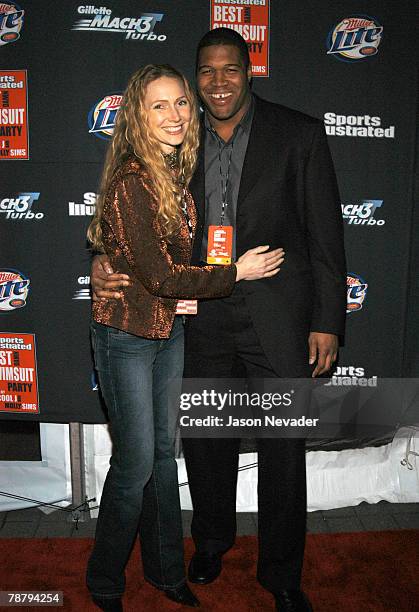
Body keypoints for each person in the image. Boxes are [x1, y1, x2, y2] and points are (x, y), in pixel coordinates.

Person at [91, 29, 346, 612]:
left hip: (279, 319)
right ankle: (210, 544)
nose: (218, 82)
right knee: (206, 444)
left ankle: (282, 573)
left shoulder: (298, 133)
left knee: (284, 450)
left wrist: (327, 319)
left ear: (249, 71)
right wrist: (106, 258)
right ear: (195, 77)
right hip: (199, 316)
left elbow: (326, 236)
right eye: (206, 71)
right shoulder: (176, 140)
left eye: (230, 69)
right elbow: (138, 218)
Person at [86, 63, 284, 612]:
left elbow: (165, 269)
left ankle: (167, 572)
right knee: (134, 466)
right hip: (127, 335)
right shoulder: (132, 179)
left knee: (163, 460)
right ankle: (104, 581)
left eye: (179, 104)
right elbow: (164, 276)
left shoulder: (175, 169)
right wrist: (236, 272)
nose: (174, 115)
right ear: (137, 116)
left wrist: (108, 257)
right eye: (159, 106)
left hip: (168, 330)